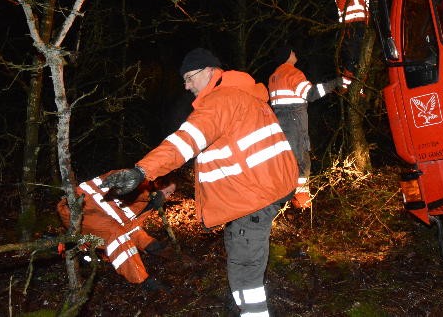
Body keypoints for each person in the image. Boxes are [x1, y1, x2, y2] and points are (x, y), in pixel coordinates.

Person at [103, 48, 298, 317]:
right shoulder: (245, 95)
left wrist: (141, 172)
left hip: (252, 198)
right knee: (238, 254)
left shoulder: (220, 100)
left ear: (209, 71)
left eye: (189, 77)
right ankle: (239, 303)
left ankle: (251, 310)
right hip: (263, 191)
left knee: (245, 271)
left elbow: (185, 141)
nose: (186, 85)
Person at [56, 171, 176, 291]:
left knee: (118, 231)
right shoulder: (137, 181)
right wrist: (150, 196)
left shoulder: (146, 202)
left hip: (92, 212)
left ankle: (76, 247)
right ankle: (141, 279)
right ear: (157, 183)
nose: (167, 196)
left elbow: (130, 226)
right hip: (81, 210)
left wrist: (150, 245)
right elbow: (128, 190)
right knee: (116, 235)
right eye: (167, 192)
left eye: (171, 193)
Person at [268, 45, 340, 209]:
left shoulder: (274, 77)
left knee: (286, 161)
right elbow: (311, 93)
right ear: (287, 55)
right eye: (292, 51)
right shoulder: (292, 73)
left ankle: (285, 201)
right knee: (301, 162)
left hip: (279, 123)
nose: (295, 53)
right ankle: (302, 205)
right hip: (294, 122)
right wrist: (334, 83)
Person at [333, 0, 369, 90]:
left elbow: (366, 9)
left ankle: (360, 87)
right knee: (353, 56)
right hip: (352, 26)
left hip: (360, 26)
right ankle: (346, 84)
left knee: (360, 57)